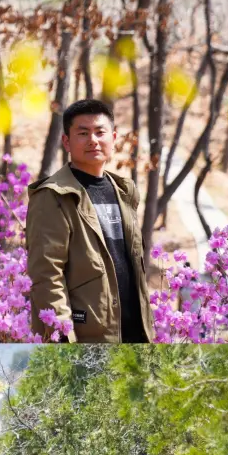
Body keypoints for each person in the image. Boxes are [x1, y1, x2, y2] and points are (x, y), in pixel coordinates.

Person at [25, 99, 155, 343]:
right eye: (83, 133)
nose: (93, 140)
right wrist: (63, 341)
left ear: (113, 138)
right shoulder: (53, 196)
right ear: (67, 141)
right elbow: (47, 275)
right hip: (90, 338)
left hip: (134, 334)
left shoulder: (124, 191)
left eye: (100, 132)